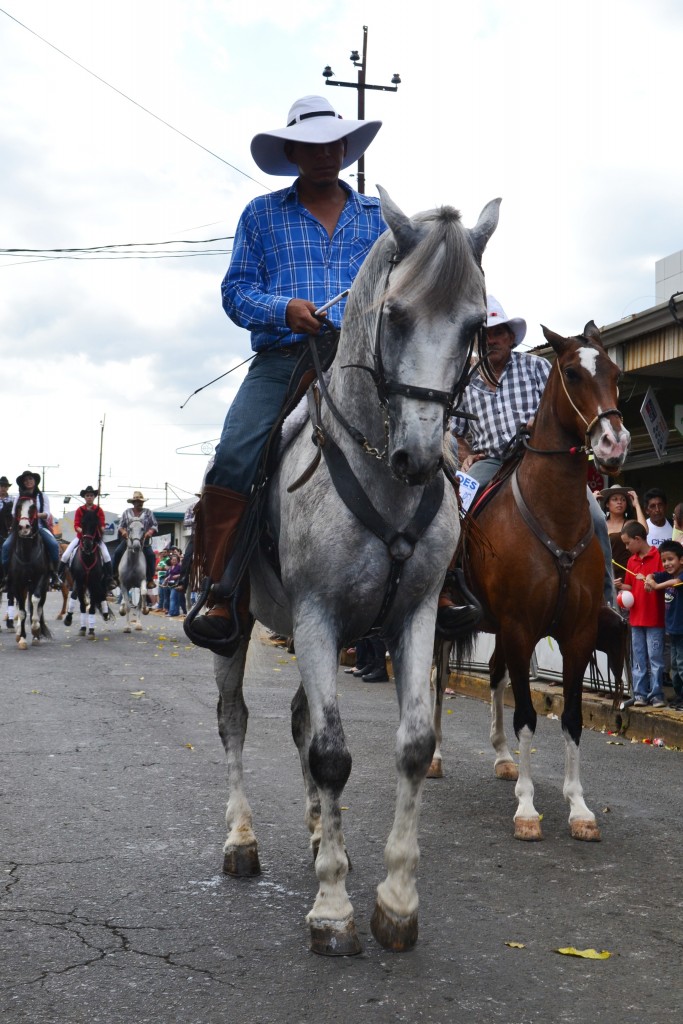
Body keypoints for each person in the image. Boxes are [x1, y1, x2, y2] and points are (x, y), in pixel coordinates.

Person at [189, 94, 384, 647]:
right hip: (284, 357)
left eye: (335, 143)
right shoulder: (261, 215)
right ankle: (223, 591)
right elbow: (235, 291)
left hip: (362, 360)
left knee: (432, 447)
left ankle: (446, 582)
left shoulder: (377, 220)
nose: (327, 153)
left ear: (345, 148)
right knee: (234, 454)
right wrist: (283, 309)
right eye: (314, 145)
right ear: (294, 151)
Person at [445, 296, 616, 619]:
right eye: (485, 335)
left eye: (497, 333)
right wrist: (466, 457)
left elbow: (560, 409)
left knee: (596, 518)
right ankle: (451, 588)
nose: (491, 340)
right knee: (455, 511)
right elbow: (458, 434)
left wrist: (538, 423)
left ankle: (605, 601)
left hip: (540, 459)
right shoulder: (465, 382)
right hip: (491, 461)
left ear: (511, 337)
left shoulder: (537, 367)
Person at [619, 521, 666, 707]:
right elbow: (630, 585)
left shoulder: (659, 557)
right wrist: (621, 587)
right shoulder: (631, 561)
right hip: (636, 617)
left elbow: (665, 581)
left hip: (654, 617)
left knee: (655, 658)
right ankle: (640, 694)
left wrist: (651, 582)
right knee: (638, 657)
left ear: (638, 539)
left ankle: (656, 694)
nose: (626, 547)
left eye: (627, 543)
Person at [1, 471, 60, 584]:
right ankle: (6, 575)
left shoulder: (42, 496)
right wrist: (24, 517)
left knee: (53, 544)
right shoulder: (19, 496)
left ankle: (55, 574)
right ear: (23, 483)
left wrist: (34, 515)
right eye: (26, 480)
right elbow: (14, 513)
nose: (28, 481)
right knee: (6, 546)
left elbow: (47, 513)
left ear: (35, 481)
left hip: (39, 526)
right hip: (21, 526)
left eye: (30, 479)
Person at [645, 539, 683, 710]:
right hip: (673, 630)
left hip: (681, 630)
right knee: (674, 666)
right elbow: (653, 574)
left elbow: (675, 583)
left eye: (671, 559)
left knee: (681, 665)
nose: (667, 564)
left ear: (681, 559)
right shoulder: (668, 575)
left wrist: (656, 586)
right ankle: (679, 695)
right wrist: (648, 579)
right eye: (664, 560)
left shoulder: (680, 576)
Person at [57, 486, 113, 590]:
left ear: (94, 497)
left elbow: (102, 523)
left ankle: (110, 579)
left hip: (95, 538)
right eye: (87, 495)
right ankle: (58, 577)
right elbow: (76, 525)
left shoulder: (98, 510)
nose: (89, 497)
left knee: (106, 555)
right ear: (84, 497)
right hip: (81, 537)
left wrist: (101, 529)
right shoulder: (80, 510)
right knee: (65, 555)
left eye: (91, 495)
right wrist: (84, 532)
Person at [112, 491, 159, 601]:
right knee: (118, 552)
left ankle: (150, 579)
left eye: (141, 501)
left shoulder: (148, 512)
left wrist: (149, 532)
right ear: (133, 502)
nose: (139, 503)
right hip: (129, 539)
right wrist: (123, 531)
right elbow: (120, 526)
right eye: (137, 502)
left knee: (151, 555)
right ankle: (114, 577)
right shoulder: (126, 512)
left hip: (143, 540)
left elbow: (154, 525)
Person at [598, 485, 647, 582]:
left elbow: (644, 531)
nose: (619, 502)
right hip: (603, 574)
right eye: (615, 499)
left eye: (623, 499)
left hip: (625, 574)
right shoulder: (601, 523)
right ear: (607, 504)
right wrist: (592, 505)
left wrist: (637, 505)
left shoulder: (629, 524)